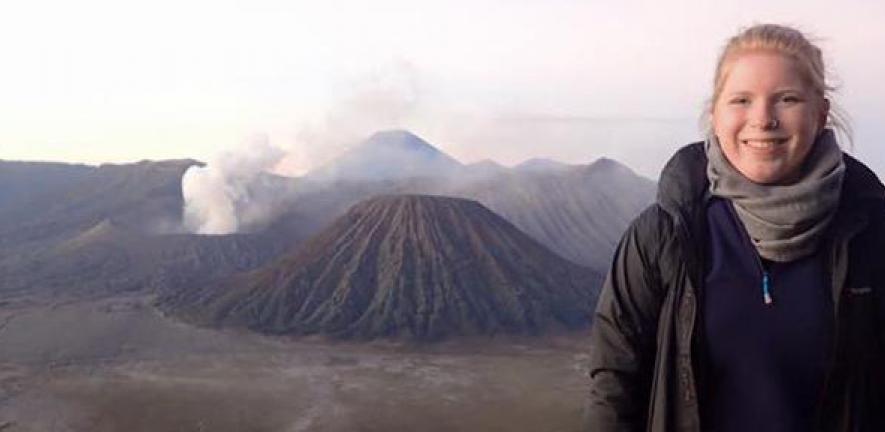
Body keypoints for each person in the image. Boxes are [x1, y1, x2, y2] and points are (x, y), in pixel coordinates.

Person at [584, 24, 884, 431]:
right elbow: (614, 380)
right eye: (741, 100)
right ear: (715, 114)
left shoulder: (871, 232)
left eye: (787, 99)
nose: (763, 119)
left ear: (821, 113)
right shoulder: (664, 235)